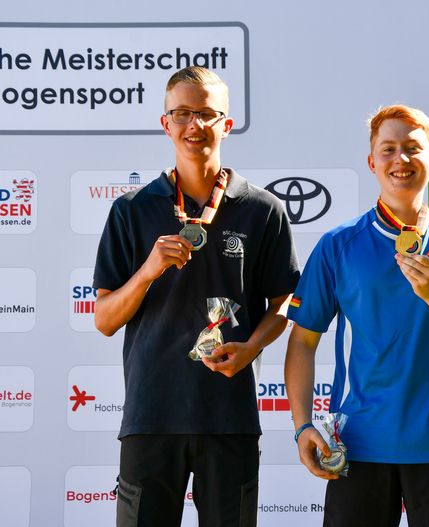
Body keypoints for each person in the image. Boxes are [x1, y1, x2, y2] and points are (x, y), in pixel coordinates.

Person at [93, 66, 299, 526]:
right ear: (165, 124)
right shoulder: (131, 209)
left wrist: (252, 346)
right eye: (182, 113)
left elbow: (285, 302)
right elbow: (104, 319)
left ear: (226, 124)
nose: (194, 125)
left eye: (206, 113)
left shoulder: (264, 209)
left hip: (229, 418)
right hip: (151, 417)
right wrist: (147, 271)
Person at [284, 104, 429, 526]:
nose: (400, 160)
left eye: (412, 148)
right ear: (371, 162)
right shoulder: (339, 244)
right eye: (387, 150)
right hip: (358, 446)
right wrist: (302, 425)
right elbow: (302, 340)